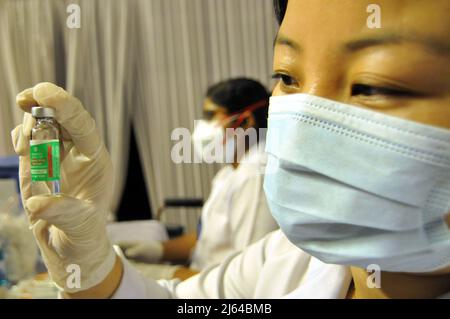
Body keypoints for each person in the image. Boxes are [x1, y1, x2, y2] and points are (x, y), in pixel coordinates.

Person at [12, 0, 450, 298]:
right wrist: (91, 271)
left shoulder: (256, 177)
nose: (304, 113)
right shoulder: (283, 262)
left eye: (373, 84)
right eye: (289, 76)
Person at [117, 78, 278, 281]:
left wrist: (159, 276)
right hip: (201, 279)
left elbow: (247, 279)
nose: (203, 126)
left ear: (245, 122)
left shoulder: (255, 176)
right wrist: (154, 250)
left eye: (211, 116)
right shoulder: (230, 172)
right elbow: (207, 239)